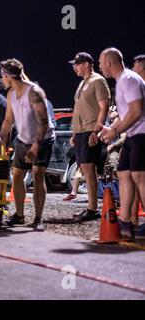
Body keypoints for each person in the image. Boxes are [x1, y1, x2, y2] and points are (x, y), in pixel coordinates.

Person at [0, 58, 56, 231]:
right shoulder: (11, 94)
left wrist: (35, 147)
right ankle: (20, 215)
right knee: (17, 175)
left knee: (38, 174)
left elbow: (44, 122)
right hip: (24, 139)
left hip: (42, 139)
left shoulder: (34, 91)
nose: (1, 79)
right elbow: (8, 121)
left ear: (8, 76)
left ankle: (38, 218)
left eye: (2, 75)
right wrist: (0, 142)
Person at [99, 47, 145, 239]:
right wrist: (110, 130)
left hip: (142, 133)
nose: (100, 67)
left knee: (140, 176)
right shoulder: (121, 81)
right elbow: (127, 114)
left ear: (109, 63)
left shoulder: (129, 79)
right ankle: (124, 221)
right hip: (133, 135)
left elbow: (137, 111)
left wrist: (116, 131)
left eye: (101, 63)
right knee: (124, 173)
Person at [68, 52, 110, 221]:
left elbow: (104, 106)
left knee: (89, 169)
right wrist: (74, 133)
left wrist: (96, 131)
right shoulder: (82, 83)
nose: (74, 67)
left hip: (90, 130)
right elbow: (79, 110)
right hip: (80, 131)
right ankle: (90, 207)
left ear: (86, 64)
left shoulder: (97, 81)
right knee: (85, 169)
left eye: (76, 64)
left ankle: (93, 209)